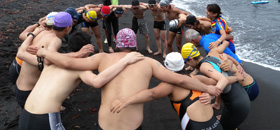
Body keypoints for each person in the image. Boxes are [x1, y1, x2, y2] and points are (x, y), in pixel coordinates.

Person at [36, 28, 221, 130]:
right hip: (132, 127)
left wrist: (45, 52)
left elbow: (68, 63)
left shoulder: (102, 58)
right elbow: (180, 80)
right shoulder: (147, 62)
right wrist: (209, 89)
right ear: (134, 46)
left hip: (105, 125)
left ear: (117, 44)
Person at [18, 30, 144, 130]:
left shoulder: (50, 61)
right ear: (87, 49)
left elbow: (24, 54)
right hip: (45, 118)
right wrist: (125, 61)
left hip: (25, 114)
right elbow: (97, 81)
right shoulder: (80, 68)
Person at [110, 52, 223, 130]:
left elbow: (152, 94)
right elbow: (220, 80)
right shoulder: (196, 78)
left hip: (195, 126)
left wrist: (126, 101)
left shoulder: (170, 85)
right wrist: (234, 71)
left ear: (166, 68)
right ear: (183, 64)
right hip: (216, 125)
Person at [15, 12, 92, 109]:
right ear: (67, 28)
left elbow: (50, 57)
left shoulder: (42, 32)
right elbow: (49, 61)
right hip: (29, 92)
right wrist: (77, 54)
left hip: (20, 86)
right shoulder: (55, 40)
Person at [181, 42, 250, 130]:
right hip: (242, 97)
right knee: (230, 124)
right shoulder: (212, 58)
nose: (188, 65)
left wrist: (211, 96)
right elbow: (229, 71)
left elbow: (223, 80)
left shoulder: (204, 67)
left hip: (236, 105)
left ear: (190, 59)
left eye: (186, 61)